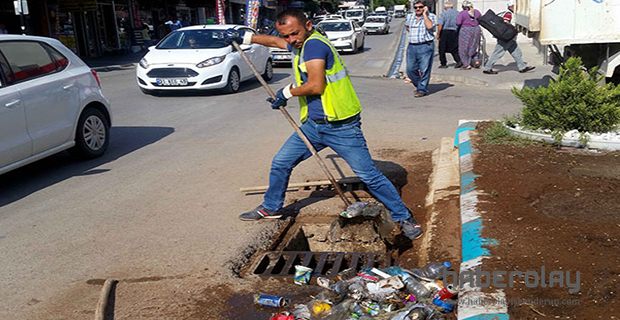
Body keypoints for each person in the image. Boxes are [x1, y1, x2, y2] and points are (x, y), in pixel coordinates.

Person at [223, 9, 423, 240]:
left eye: (294, 34)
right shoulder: (299, 43)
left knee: (369, 176)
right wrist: (246, 37)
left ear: (308, 25)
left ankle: (404, 217)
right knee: (281, 162)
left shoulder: (316, 46)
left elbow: (316, 86)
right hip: (313, 126)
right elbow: (276, 41)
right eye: (287, 36)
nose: (290, 40)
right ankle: (271, 206)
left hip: (341, 127)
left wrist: (285, 92)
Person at [482, 2, 535, 74]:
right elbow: (505, 24)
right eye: (514, 6)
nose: (516, 7)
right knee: (498, 53)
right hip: (506, 38)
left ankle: (522, 67)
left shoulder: (512, 14)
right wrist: (514, 29)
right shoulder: (508, 14)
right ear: (510, 7)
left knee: (517, 53)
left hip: (510, 38)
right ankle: (487, 68)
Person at [405, 1, 437, 98]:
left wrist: (424, 15)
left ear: (425, 7)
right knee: (410, 69)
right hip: (412, 46)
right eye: (416, 7)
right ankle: (420, 85)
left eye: (420, 7)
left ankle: (422, 89)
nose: (418, 9)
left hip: (425, 46)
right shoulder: (410, 16)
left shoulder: (431, 16)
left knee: (424, 69)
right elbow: (407, 27)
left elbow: (429, 26)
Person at [456, 0, 482, 69]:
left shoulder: (462, 13)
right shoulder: (477, 12)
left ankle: (466, 64)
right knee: (473, 46)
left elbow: (458, 22)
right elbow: (480, 19)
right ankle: (476, 61)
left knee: (463, 48)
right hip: (476, 29)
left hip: (466, 30)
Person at [436, 1, 462, 68]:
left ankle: (443, 64)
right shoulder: (457, 13)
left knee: (442, 49)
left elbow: (440, 24)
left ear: (445, 7)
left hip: (445, 32)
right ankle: (458, 61)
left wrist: (438, 34)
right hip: (454, 31)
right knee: (454, 48)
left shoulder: (443, 14)